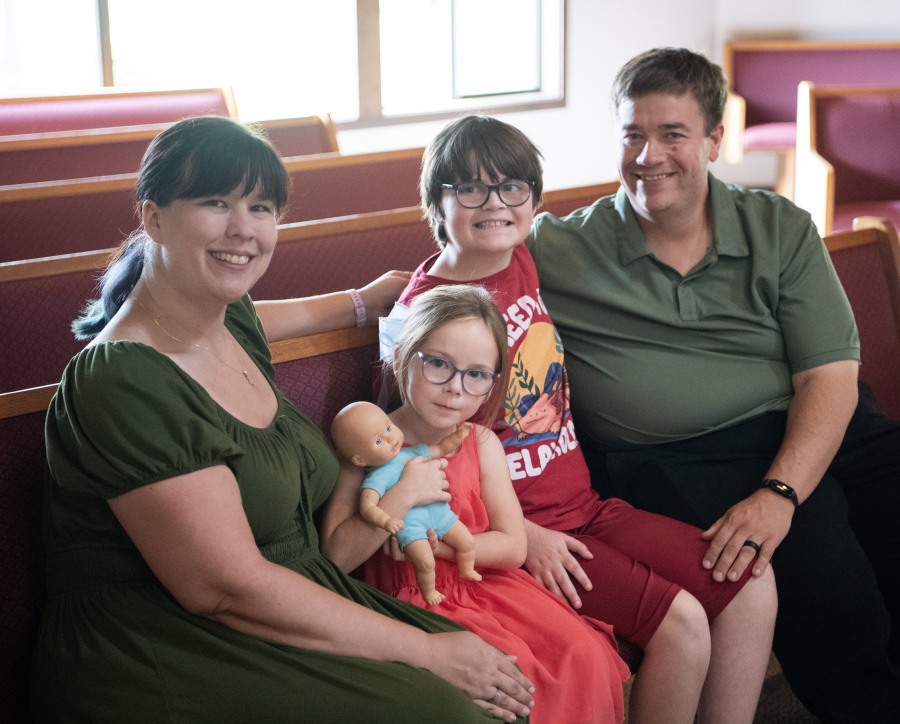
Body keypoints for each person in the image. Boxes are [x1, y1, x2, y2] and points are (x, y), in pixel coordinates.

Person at [31, 115, 535, 724]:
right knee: (453, 711)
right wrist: (427, 650)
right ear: (153, 216)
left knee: (505, 679)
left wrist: (361, 300)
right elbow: (223, 588)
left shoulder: (228, 320)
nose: (244, 230)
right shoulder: (120, 380)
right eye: (215, 202)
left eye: (263, 207)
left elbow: (271, 310)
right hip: (164, 645)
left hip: (294, 594)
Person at [526, 47, 900, 724]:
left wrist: (782, 490)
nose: (649, 156)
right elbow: (453, 270)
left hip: (811, 421)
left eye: (673, 135)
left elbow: (830, 376)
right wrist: (353, 301)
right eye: (633, 135)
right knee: (824, 575)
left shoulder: (778, 226)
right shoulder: (558, 248)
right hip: (681, 456)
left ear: (715, 141)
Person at [370, 113, 777, 724]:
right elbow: (401, 449)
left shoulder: (520, 260)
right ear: (436, 201)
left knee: (748, 580)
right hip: (516, 532)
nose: (496, 203)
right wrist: (523, 537)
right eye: (472, 189)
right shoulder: (421, 317)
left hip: (584, 506)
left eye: (514, 187)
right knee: (683, 624)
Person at [322, 284, 632, 724]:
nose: (454, 388)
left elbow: (512, 546)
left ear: (491, 385)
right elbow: (334, 555)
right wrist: (402, 495)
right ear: (403, 356)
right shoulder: (369, 443)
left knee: (580, 653)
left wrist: (442, 547)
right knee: (509, 672)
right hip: (411, 601)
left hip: (486, 584)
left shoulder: (481, 442)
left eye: (476, 374)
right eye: (439, 365)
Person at [332, 402, 479, 604]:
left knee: (468, 542)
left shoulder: (413, 452)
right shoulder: (377, 478)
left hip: (439, 512)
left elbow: (442, 448)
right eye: (378, 441)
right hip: (410, 526)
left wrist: (457, 437)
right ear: (359, 459)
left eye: (389, 427)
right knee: (426, 562)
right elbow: (368, 508)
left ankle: (467, 570)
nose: (391, 437)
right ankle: (429, 592)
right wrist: (386, 521)